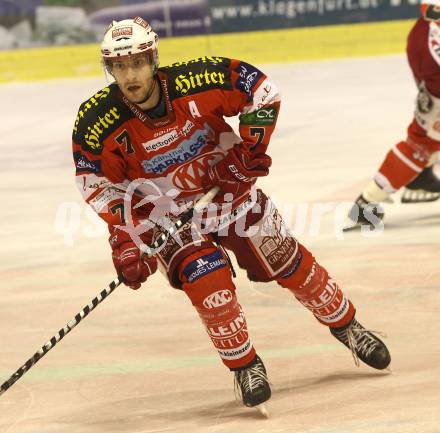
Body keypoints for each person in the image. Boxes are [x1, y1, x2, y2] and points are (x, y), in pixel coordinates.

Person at [72, 17, 391, 412]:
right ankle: (245, 366)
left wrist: (247, 156)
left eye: (137, 63)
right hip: (167, 217)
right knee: (207, 280)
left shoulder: (196, 80)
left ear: (153, 60)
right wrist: (126, 239)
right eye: (119, 67)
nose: (130, 75)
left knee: (288, 262)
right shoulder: (95, 122)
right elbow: (97, 184)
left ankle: (349, 328)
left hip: (229, 194)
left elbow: (262, 91)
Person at [345, 0, 440, 230]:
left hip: (425, 37)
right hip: (432, 51)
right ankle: (366, 204)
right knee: (423, 141)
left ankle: (420, 174)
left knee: (426, 138)